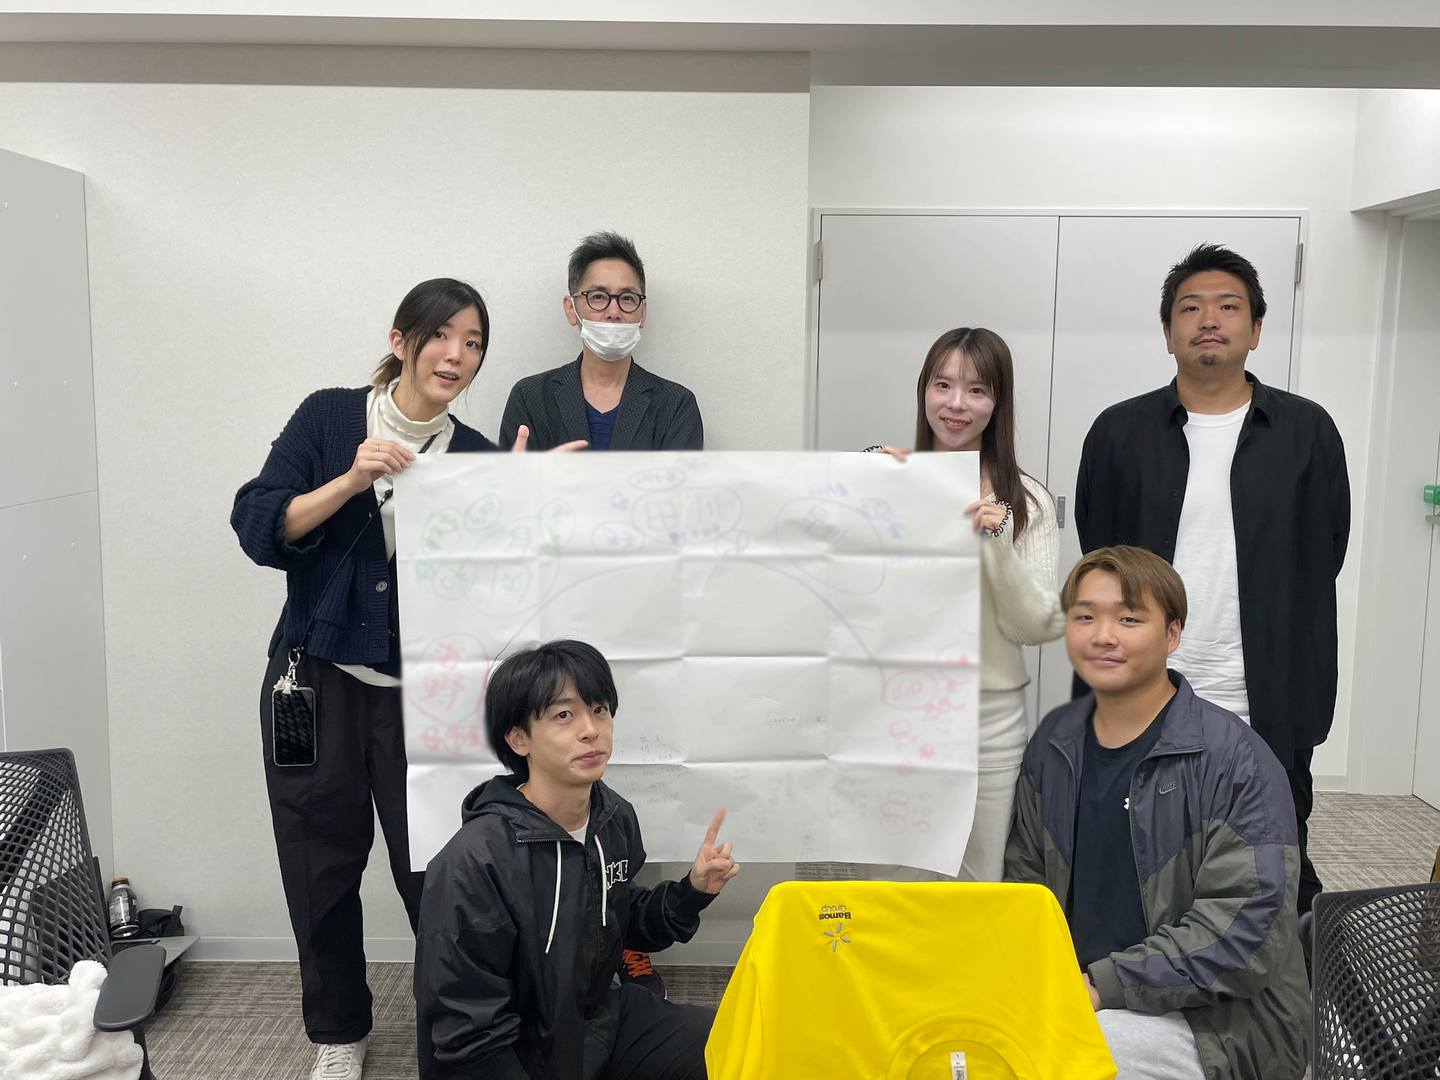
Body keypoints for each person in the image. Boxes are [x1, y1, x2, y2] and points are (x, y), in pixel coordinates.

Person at [231, 279, 580, 1080]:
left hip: (429, 700)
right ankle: (338, 1031)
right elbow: (257, 526)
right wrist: (351, 480)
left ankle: (459, 1032)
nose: (457, 355)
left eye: (474, 342)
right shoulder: (330, 418)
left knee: (441, 876)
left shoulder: (478, 454)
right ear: (400, 341)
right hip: (314, 685)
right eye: (442, 336)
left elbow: (500, 593)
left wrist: (521, 504)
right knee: (318, 866)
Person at [1074, 243, 1349, 915]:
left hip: (1269, 691)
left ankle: (1273, 979)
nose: (1209, 320)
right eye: (1190, 308)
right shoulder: (1118, 432)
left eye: (1228, 307)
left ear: (1256, 329)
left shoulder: (1307, 431)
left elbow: (1326, 551)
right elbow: (1099, 551)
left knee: (1271, 865)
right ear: (1168, 332)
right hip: (1144, 687)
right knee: (1132, 857)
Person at [1004, 545, 1310, 1080]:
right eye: (1085, 617)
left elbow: (1245, 936)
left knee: (1057, 1062)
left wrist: (1100, 987)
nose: (1103, 635)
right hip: (1085, 992)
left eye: (1129, 619)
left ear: (1173, 634)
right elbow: (1023, 893)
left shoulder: (1237, 761)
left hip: (1221, 1020)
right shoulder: (1052, 748)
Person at [414, 640, 738, 1080]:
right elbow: (468, 1030)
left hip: (598, 1021)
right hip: (521, 1052)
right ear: (519, 738)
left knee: (741, 1044)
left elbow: (619, 919)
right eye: (564, 715)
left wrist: (692, 891)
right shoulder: (473, 862)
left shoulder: (613, 817)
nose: (591, 730)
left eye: (600, 710)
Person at [871, 327, 1065, 881]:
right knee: (894, 877)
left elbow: (1035, 626)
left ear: (998, 403)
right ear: (924, 391)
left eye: (977, 390)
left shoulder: (1027, 501)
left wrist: (998, 541)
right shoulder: (887, 479)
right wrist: (859, 481)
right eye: (943, 385)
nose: (956, 403)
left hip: (987, 721)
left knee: (978, 878)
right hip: (896, 711)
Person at [500, 230, 704, 452]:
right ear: (571, 309)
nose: (613, 312)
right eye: (598, 297)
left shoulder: (675, 405)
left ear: (643, 312)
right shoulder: (530, 397)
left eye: (627, 298)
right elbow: (514, 473)